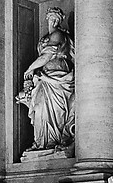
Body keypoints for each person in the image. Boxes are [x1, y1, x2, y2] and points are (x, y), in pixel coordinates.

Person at [17, 9, 76, 153]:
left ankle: (52, 142)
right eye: (51, 18)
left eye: (56, 19)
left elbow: (47, 56)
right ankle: (42, 142)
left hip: (58, 78)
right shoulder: (46, 37)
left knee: (55, 110)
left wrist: (29, 69)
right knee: (40, 107)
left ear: (59, 21)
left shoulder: (58, 35)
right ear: (47, 19)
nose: (53, 21)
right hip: (45, 78)